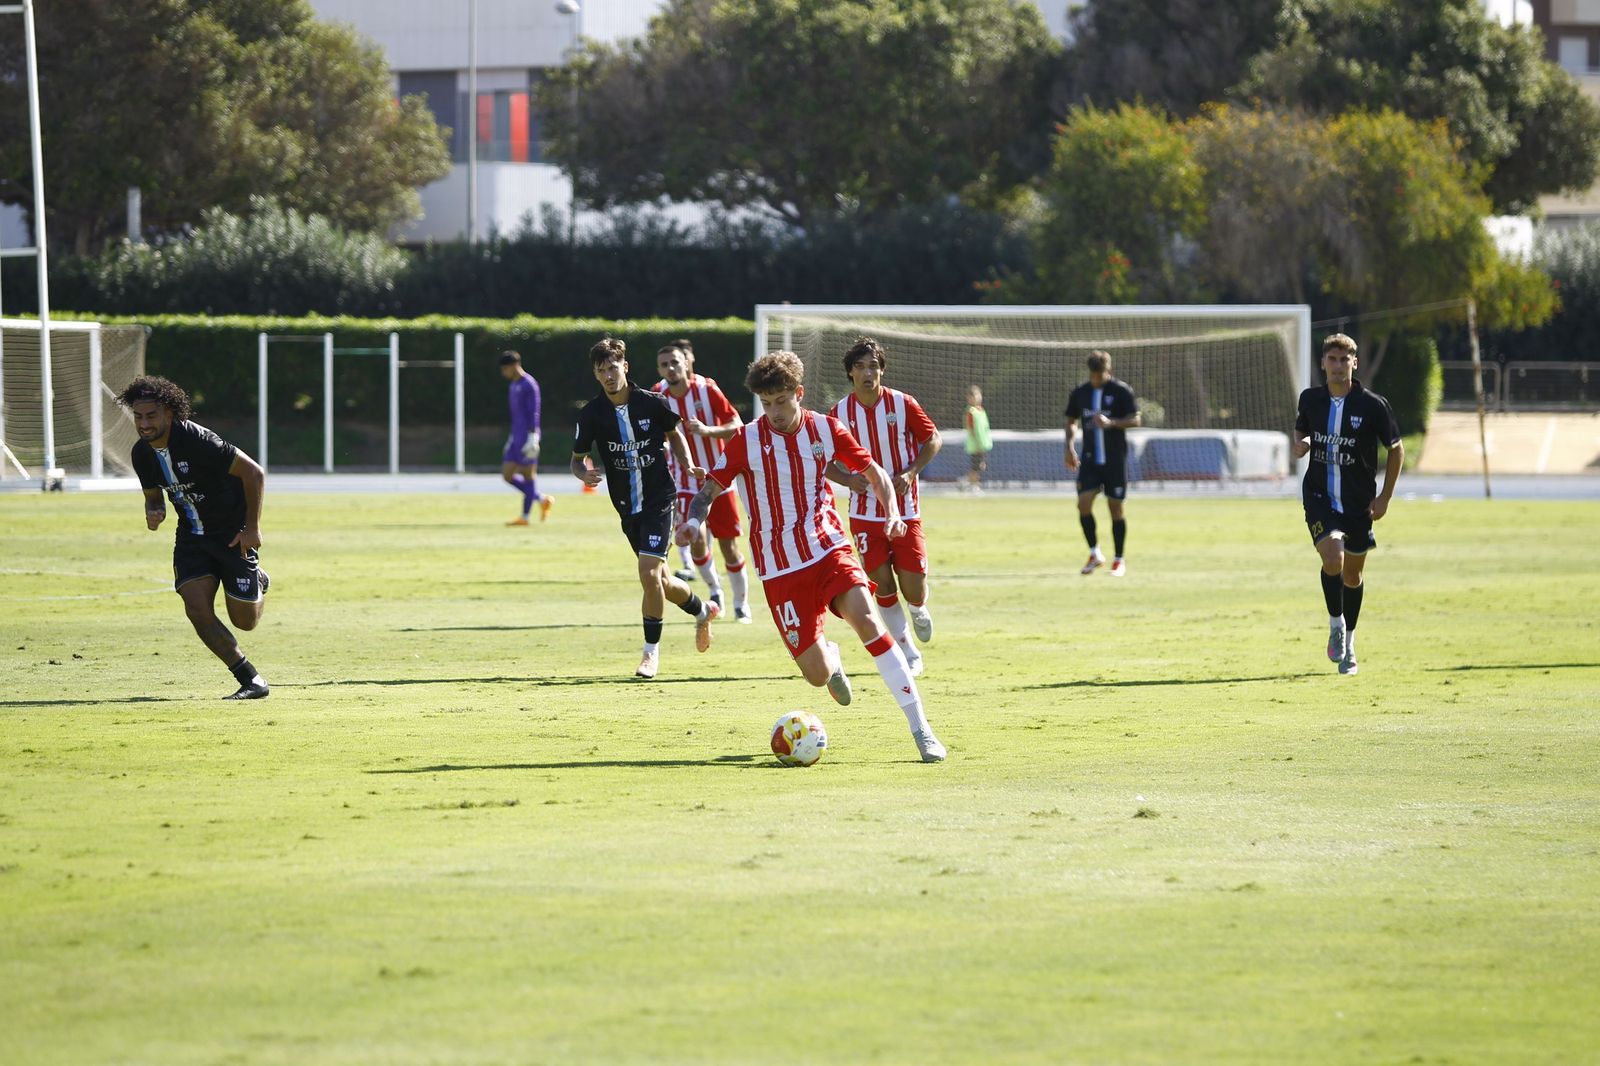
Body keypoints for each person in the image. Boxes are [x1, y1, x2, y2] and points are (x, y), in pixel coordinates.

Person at [677, 350, 947, 763]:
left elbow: (874, 475)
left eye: (782, 401)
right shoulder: (746, 440)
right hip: (780, 567)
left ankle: (921, 729)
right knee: (816, 674)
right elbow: (707, 493)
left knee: (869, 621)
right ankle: (833, 662)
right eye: (766, 404)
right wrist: (695, 524)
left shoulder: (827, 429)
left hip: (827, 547)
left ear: (799, 393)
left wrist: (891, 511)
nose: (775, 412)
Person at [570, 337, 721, 679]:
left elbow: (675, 433)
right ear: (595, 375)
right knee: (663, 583)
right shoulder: (591, 414)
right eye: (601, 370)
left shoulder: (652, 402)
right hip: (627, 507)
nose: (608, 375)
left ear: (625, 367)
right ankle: (703, 610)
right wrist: (586, 474)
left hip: (658, 499)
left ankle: (650, 654)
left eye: (613, 367)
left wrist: (689, 463)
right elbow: (577, 460)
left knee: (649, 573)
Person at [118, 376, 272, 700]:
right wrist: (154, 510)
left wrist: (252, 529)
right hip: (191, 538)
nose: (144, 424)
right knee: (197, 609)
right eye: (139, 417)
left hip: (232, 537)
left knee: (245, 622)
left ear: (169, 414)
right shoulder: (141, 454)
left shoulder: (199, 441)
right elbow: (153, 497)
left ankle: (257, 580)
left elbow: (254, 473)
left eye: (152, 416)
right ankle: (250, 679)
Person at [827, 337, 941, 677]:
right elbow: (821, 458)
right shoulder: (839, 413)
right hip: (864, 515)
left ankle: (919, 609)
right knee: (882, 586)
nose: (867, 373)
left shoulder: (903, 404)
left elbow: (932, 438)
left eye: (873, 366)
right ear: (850, 372)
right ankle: (908, 651)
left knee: (913, 587)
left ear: (882, 370)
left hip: (905, 510)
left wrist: (911, 471)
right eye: (860, 367)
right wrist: (847, 481)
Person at [1292, 333, 1403, 676]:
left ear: (1354, 363)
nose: (1338, 366)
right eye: (1332, 359)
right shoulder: (1310, 399)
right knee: (1333, 557)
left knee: (1352, 575)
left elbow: (1396, 449)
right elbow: (1301, 430)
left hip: (1358, 501)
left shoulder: (1372, 405)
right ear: (1323, 363)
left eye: (1345, 360)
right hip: (1320, 495)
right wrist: (1302, 443)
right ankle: (1336, 624)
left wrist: (1384, 497)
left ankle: (1350, 644)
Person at [653, 343, 754, 623]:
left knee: (728, 546)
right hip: (683, 480)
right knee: (695, 539)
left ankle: (741, 603)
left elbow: (737, 424)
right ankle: (715, 590)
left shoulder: (707, 390)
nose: (670, 369)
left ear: (685, 363)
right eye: (664, 365)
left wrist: (709, 431)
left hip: (719, 478)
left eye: (674, 362)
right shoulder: (657, 395)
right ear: (659, 369)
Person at [1065, 351, 1141, 577]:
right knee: (1083, 504)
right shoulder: (1081, 393)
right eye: (1093, 376)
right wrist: (1069, 446)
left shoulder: (1121, 391)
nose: (1096, 379)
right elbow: (1071, 420)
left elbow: (1136, 419)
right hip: (1089, 459)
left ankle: (1119, 559)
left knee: (1115, 508)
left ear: (1109, 371)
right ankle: (1095, 553)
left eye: (1100, 375)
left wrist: (1112, 423)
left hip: (1114, 460)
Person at [499, 350, 551, 526]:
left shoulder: (529, 384)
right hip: (516, 437)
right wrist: (511, 438)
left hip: (528, 437)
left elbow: (534, 412)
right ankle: (541, 498)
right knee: (507, 475)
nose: (503, 373)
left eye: (505, 369)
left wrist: (533, 436)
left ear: (514, 366)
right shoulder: (513, 385)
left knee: (528, 476)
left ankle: (525, 516)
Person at [961, 384, 992, 493]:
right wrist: (978, 443)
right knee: (976, 466)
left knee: (980, 466)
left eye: (978, 395)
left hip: (982, 443)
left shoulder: (981, 410)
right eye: (973, 396)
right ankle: (974, 486)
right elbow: (972, 429)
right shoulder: (971, 411)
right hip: (976, 445)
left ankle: (965, 481)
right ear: (969, 398)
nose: (977, 398)